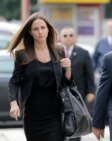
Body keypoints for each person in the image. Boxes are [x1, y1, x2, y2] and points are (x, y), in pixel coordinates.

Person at [8, 12, 72, 141]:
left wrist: (68, 68)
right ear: (30, 32)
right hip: (32, 116)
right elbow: (14, 82)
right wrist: (14, 103)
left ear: (48, 29)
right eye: (36, 29)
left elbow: (66, 82)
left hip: (54, 114)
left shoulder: (58, 51)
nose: (40, 32)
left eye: (43, 28)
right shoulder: (23, 55)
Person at [60, 26, 96, 141]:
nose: (68, 38)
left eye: (71, 35)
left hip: (77, 93)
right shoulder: (56, 53)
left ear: (75, 38)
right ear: (60, 38)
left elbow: (89, 74)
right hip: (60, 94)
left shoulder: (83, 53)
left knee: (76, 120)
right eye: (65, 35)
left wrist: (91, 91)